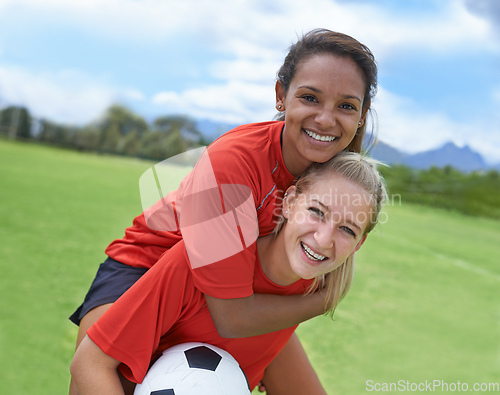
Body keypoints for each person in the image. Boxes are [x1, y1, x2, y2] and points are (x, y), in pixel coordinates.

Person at [69, 28, 378, 394]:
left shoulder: (335, 180)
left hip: (239, 289)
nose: (326, 119)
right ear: (281, 96)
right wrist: (321, 301)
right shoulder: (234, 163)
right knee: (98, 374)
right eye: (310, 97)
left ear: (361, 116)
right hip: (151, 268)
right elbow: (231, 317)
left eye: (346, 105)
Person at [70, 152, 388, 394]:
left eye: (347, 229)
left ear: (359, 244)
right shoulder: (204, 260)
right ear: (290, 202)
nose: (323, 239)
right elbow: (89, 364)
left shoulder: (313, 288)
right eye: (316, 211)